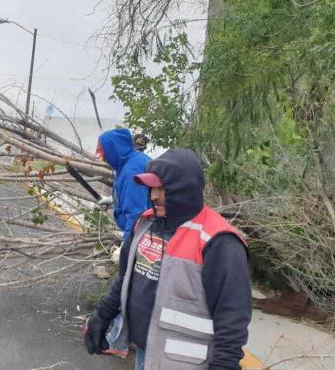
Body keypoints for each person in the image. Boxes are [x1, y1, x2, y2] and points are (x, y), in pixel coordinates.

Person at [84, 148, 251, 370]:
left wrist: (225, 365)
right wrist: (102, 315)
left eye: (162, 189)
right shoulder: (144, 225)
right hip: (148, 355)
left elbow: (233, 314)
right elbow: (126, 279)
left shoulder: (219, 242)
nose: (154, 196)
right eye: (152, 188)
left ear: (183, 189)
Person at [96, 128, 151, 242]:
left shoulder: (131, 172)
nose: (104, 160)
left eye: (105, 155)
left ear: (114, 150)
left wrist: (125, 248)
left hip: (146, 233)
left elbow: (136, 217)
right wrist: (115, 200)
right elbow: (138, 195)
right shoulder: (131, 160)